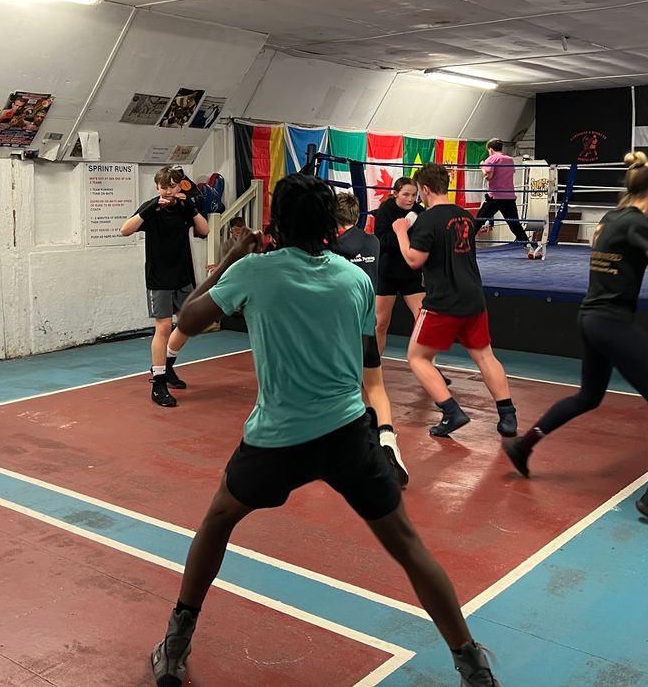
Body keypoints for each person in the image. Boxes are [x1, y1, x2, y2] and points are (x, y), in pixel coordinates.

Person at [149, 174, 497, 687]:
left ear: (277, 224)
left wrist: (233, 258)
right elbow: (363, 358)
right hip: (346, 434)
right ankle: (472, 663)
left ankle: (176, 641)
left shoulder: (254, 272)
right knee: (406, 543)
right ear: (331, 226)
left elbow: (188, 318)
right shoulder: (355, 280)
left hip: (276, 437)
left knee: (218, 522)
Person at [501, 152, 648, 532]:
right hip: (612, 322)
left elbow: (642, 251)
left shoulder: (612, 220)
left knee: (588, 396)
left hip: (590, 318)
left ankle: (522, 446)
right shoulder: (637, 223)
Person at [392, 164, 517, 439]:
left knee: (417, 357)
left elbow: (414, 260)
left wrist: (401, 232)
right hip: (472, 294)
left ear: (424, 189)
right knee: (485, 355)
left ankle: (451, 411)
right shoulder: (465, 216)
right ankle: (508, 416)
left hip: (443, 300)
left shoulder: (427, 220)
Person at [335, 192, 409, 486]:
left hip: (342, 330)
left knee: (345, 391)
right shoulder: (373, 242)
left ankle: (355, 449)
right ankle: (388, 439)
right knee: (376, 388)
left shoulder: (336, 248)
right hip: (367, 327)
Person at [120, 166, 210, 407]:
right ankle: (158, 382)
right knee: (163, 327)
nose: (169, 191)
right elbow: (125, 230)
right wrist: (149, 210)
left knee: (188, 324)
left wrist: (191, 208)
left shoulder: (184, 208)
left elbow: (204, 230)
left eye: (173, 186)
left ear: (180, 186)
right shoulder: (151, 208)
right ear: (157, 187)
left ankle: (167, 365)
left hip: (183, 275)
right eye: (164, 187)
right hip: (159, 278)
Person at [371, 178, 427, 354]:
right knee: (381, 323)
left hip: (411, 273)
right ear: (395, 194)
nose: (410, 199)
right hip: (388, 272)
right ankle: (374, 367)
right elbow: (383, 242)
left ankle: (428, 365)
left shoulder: (419, 211)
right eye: (406, 195)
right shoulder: (386, 210)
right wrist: (403, 232)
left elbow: (422, 240)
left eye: (414, 195)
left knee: (424, 319)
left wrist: (405, 230)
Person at [476, 139, 541, 259]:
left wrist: (482, 166)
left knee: (478, 221)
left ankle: (464, 248)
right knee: (514, 224)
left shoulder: (491, 159)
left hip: (495, 197)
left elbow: (488, 175)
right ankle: (530, 249)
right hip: (509, 197)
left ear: (490, 149)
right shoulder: (510, 159)